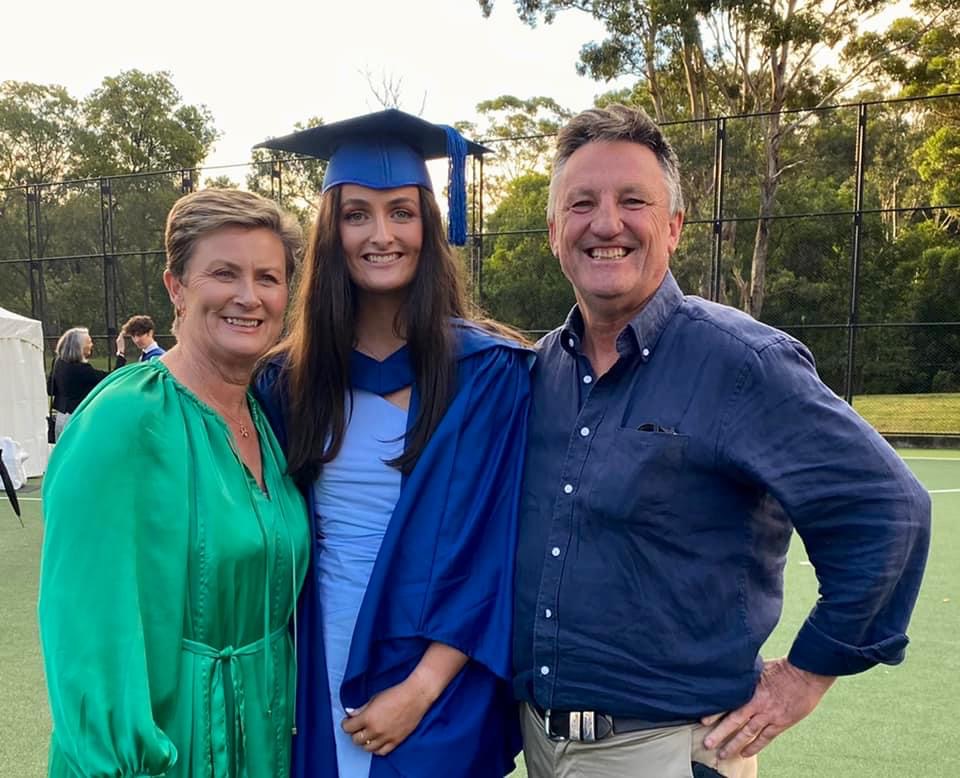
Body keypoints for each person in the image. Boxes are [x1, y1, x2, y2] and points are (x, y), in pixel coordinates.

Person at [513, 104, 931, 778]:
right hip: (541, 745)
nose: (606, 223)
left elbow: (892, 511)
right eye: (582, 203)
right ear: (555, 231)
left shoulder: (741, 363)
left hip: (671, 754)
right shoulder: (543, 370)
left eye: (633, 201)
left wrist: (804, 676)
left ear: (674, 226)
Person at [254, 109, 531, 778]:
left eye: (401, 213)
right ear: (332, 231)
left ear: (429, 227)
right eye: (357, 215)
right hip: (314, 663)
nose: (382, 235)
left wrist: (420, 689)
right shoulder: (286, 380)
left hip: (439, 673)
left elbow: (497, 550)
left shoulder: (489, 375)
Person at [38, 188, 310, 778]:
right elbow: (89, 634)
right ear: (176, 288)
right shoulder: (125, 418)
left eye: (268, 277)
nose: (248, 295)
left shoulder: (263, 419)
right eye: (223, 273)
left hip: (264, 740)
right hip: (173, 749)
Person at [46, 327, 108, 440]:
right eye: (89, 341)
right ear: (79, 346)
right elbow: (109, 378)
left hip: (61, 416)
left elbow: (50, 388)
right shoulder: (82, 370)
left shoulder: (58, 363)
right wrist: (121, 355)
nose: (92, 344)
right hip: (76, 418)